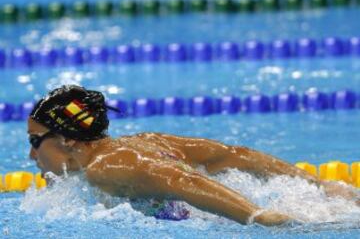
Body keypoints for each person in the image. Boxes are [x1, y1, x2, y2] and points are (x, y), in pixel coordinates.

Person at [28, 85, 357, 226]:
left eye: (35, 140)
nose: (31, 155)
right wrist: (320, 185)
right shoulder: (143, 142)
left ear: (67, 139)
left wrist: (258, 216)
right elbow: (233, 156)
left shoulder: (105, 167)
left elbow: (182, 179)